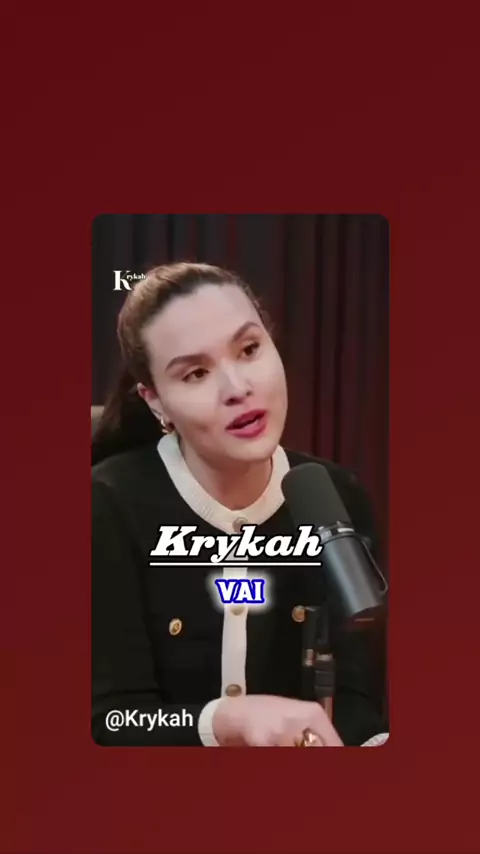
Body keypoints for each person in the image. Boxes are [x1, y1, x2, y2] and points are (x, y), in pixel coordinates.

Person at [91, 261, 387, 747]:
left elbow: (358, 704)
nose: (237, 388)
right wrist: (224, 723)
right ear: (156, 401)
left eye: (249, 349)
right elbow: (111, 720)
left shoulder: (337, 495)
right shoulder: (106, 505)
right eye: (196, 373)